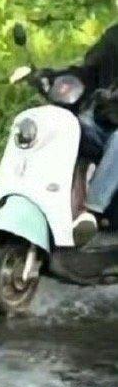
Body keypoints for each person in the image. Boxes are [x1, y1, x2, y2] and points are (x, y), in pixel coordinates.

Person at [68, 23, 118, 244]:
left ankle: (92, 212)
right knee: (70, 127)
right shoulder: (113, 37)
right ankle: (65, 209)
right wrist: (54, 77)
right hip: (107, 120)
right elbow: (87, 71)